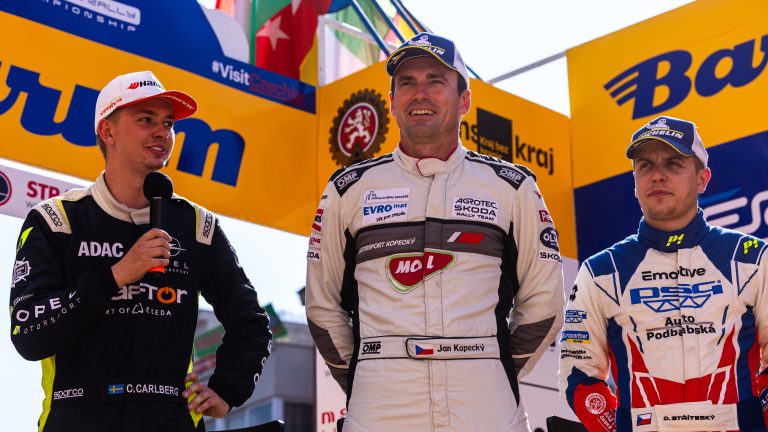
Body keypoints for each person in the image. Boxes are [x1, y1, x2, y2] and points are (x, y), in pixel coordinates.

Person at [306, 32, 564, 432]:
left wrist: (491, 363)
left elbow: (544, 300)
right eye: (407, 83)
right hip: (381, 398)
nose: (420, 93)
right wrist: (367, 371)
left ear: (464, 101)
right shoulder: (348, 188)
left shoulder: (512, 186)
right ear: (392, 102)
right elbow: (322, 306)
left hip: (484, 396)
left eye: (435, 81)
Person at [9, 71, 272, 432]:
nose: (162, 132)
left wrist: (227, 390)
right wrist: (116, 275)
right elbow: (29, 333)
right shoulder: (57, 221)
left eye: (168, 123)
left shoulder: (196, 226)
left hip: (168, 419)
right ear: (108, 131)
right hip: (78, 418)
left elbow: (252, 323)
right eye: (146, 120)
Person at [558, 116, 768, 432]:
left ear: (702, 178)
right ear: (635, 181)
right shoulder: (600, 272)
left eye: (673, 163)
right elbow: (578, 375)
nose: (657, 175)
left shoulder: (752, 259)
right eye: (646, 165)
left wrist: (757, 420)